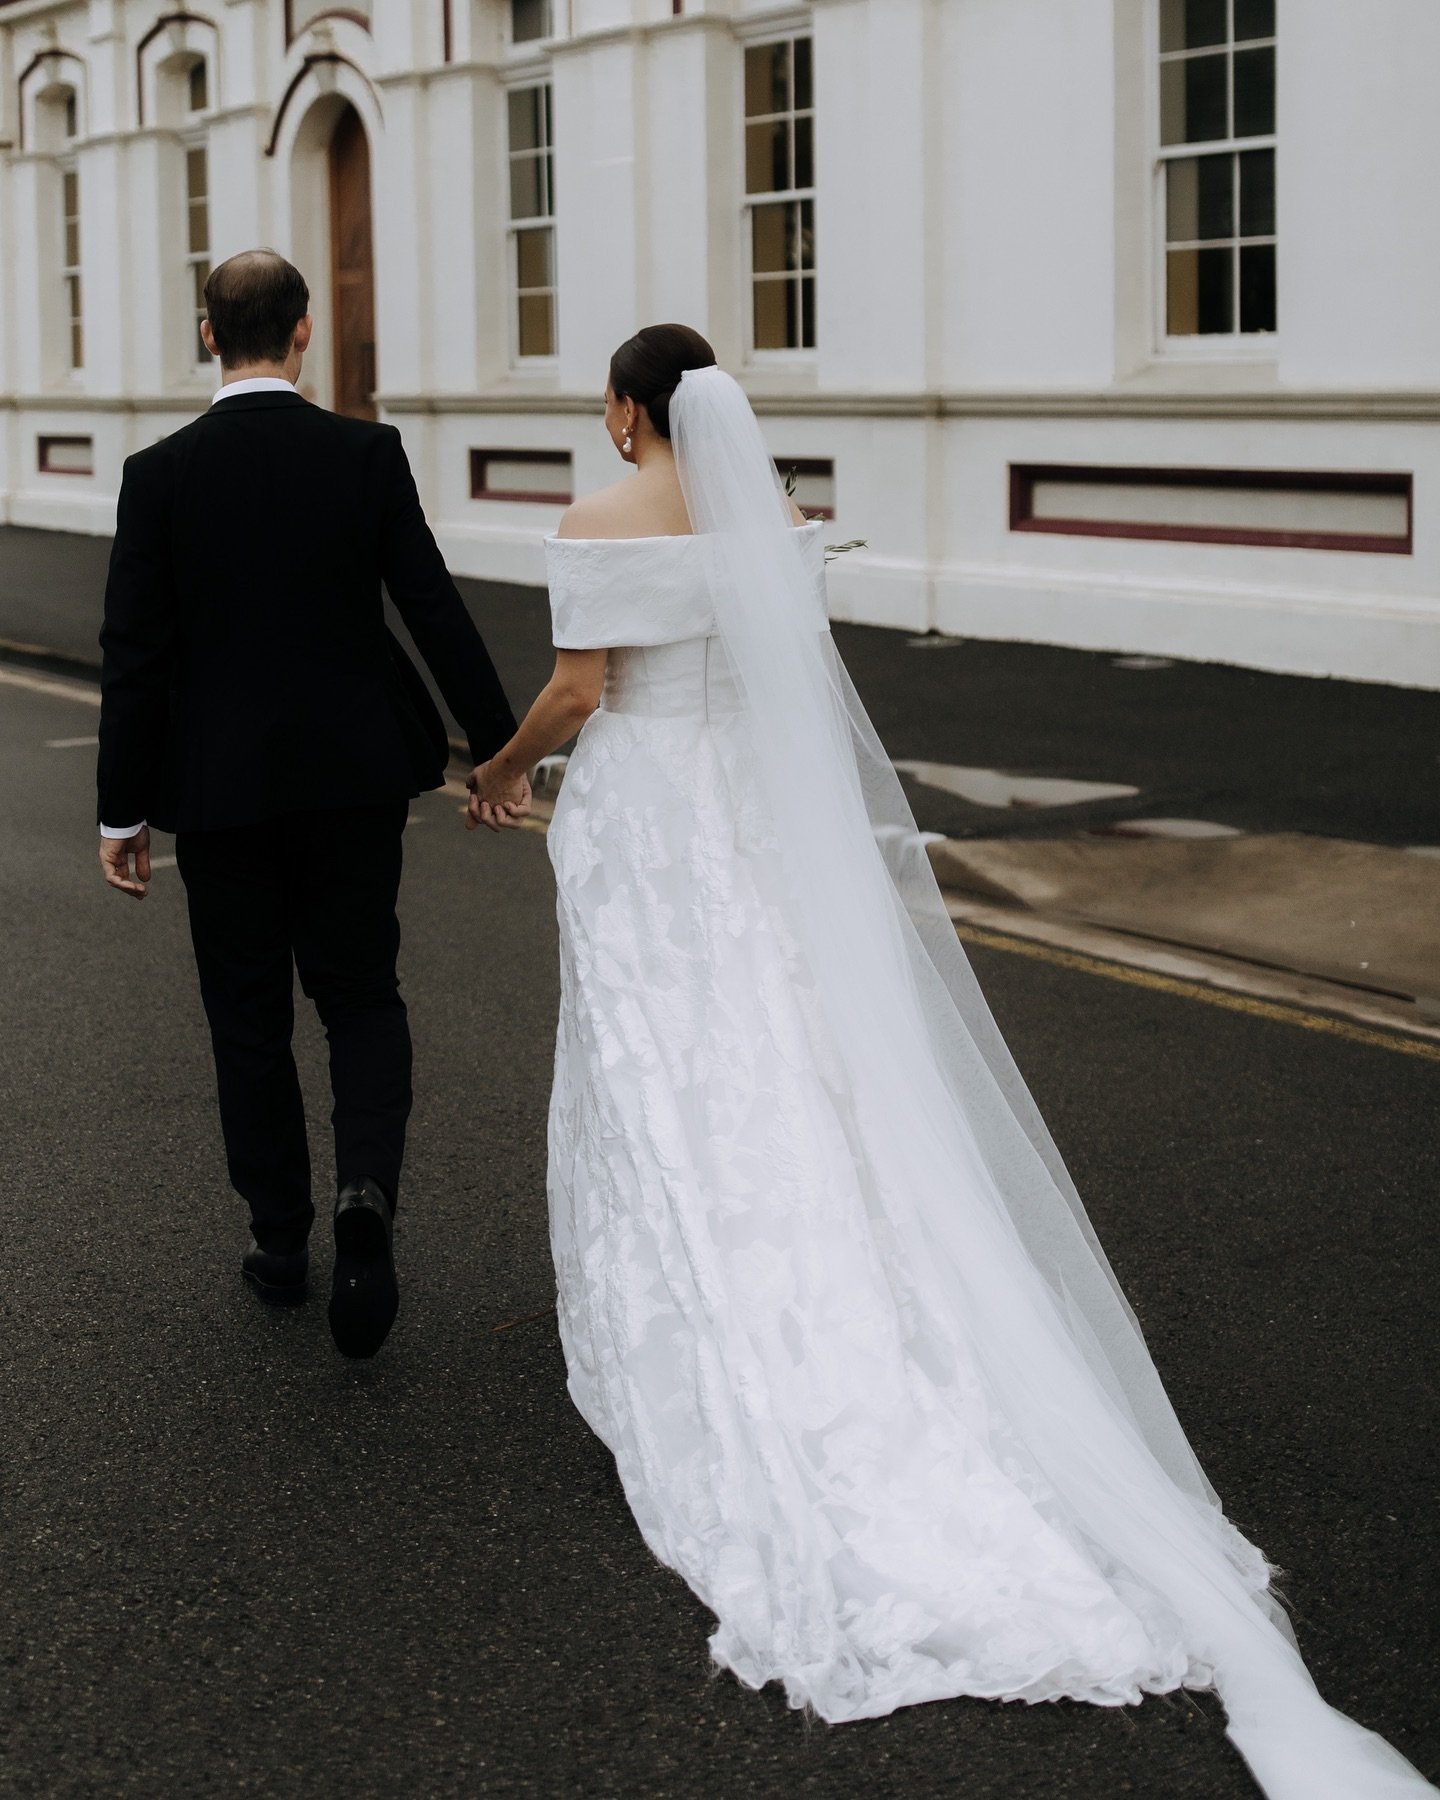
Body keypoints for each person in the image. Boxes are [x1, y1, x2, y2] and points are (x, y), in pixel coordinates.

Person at [467, 324, 1437, 1799]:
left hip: (657, 821)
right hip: (760, 822)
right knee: (800, 1054)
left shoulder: (597, 518)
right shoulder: (779, 524)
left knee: (668, 1068)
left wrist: (499, 768)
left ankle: (716, 1308)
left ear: (622, 410)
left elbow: (585, 690)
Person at [97, 249, 526, 1359]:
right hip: (353, 777)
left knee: (249, 1019)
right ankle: (365, 1197)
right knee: (360, 996)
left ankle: (281, 1242)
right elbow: (431, 607)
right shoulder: (365, 454)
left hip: (219, 787)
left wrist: (121, 810)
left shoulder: (159, 475)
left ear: (208, 336)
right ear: (302, 337)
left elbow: (135, 656)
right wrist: (500, 752)